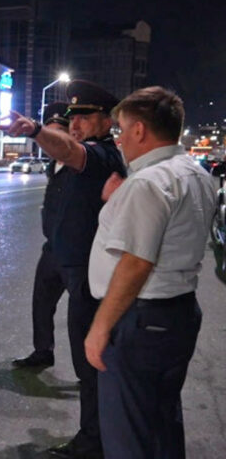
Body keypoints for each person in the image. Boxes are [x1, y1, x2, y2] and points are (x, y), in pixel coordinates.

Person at [84, 86, 216, 459]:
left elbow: (136, 262)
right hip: (178, 313)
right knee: (161, 423)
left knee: (127, 435)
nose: (119, 139)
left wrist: (100, 328)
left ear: (140, 130)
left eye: (122, 129)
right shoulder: (195, 173)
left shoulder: (147, 182)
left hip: (140, 321)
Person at [0, 80, 126, 459]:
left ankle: (94, 442)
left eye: (85, 116)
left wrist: (35, 130)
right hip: (66, 259)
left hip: (87, 271)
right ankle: (98, 435)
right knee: (85, 357)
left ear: (107, 121)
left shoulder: (103, 155)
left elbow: (71, 151)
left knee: (90, 363)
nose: (76, 123)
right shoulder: (80, 157)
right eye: (72, 117)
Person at [12, 102, 71, 370]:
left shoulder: (81, 162)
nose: (52, 137)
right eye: (50, 131)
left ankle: (90, 373)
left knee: (83, 313)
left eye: (59, 131)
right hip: (52, 249)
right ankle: (43, 351)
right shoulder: (53, 165)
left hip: (80, 251)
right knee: (41, 302)